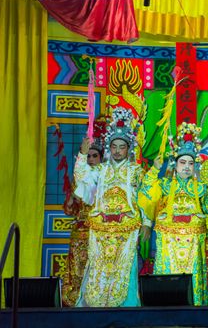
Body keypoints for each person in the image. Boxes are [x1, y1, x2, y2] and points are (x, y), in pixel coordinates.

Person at [74, 107, 151, 307]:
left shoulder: (136, 171)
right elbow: (84, 182)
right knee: (98, 268)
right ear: (109, 148)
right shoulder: (100, 170)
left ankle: (128, 309)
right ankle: (94, 309)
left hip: (126, 230)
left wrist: (147, 223)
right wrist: (83, 156)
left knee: (125, 269)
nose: (117, 150)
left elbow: (145, 197)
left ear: (128, 149)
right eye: (114, 146)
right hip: (100, 230)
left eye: (122, 146)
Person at [138, 122, 208, 306]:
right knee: (169, 276)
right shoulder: (165, 185)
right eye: (183, 162)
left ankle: (195, 310)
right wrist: (155, 169)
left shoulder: (201, 188)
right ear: (175, 163)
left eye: (191, 163)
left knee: (193, 278)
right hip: (168, 242)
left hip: (193, 242)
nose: (187, 167)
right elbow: (146, 194)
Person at [61, 142, 103, 307]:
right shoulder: (79, 180)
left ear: (101, 158)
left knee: (97, 267)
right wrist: (71, 199)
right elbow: (69, 210)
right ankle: (74, 302)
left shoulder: (105, 179)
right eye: (89, 156)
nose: (91, 159)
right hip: (80, 232)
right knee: (77, 268)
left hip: (100, 231)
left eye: (95, 156)